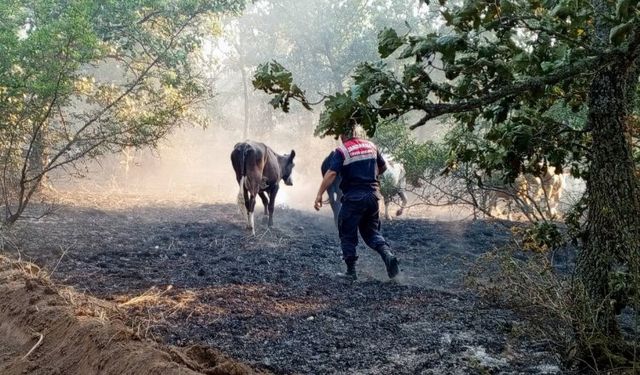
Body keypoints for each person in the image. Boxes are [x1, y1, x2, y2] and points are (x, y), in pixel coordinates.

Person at [314, 126, 400, 280]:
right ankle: (387, 254)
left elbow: (332, 173)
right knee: (372, 232)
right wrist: (371, 178)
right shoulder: (371, 145)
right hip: (373, 197)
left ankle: (350, 272)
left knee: (346, 231)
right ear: (355, 132)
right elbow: (383, 167)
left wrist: (319, 194)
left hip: (354, 198)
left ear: (342, 135)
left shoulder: (343, 151)